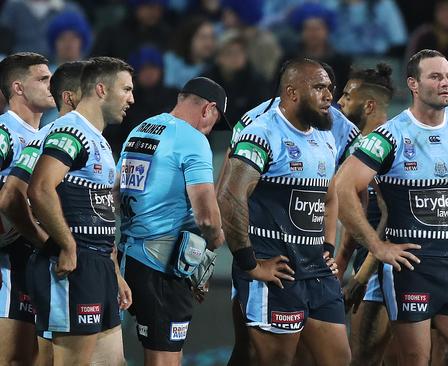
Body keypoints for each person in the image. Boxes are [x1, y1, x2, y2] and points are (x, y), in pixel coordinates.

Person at [337, 49, 448, 366]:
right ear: (413, 84)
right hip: (410, 267)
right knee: (413, 360)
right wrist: (378, 246)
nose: (445, 83)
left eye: (447, 76)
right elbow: (343, 187)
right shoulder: (391, 136)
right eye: (435, 77)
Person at [220, 58, 351, 366]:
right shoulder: (262, 133)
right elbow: (230, 196)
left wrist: (329, 247)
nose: (329, 95)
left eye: (330, 88)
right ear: (292, 93)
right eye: (319, 88)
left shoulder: (326, 136)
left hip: (317, 272)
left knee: (340, 359)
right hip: (277, 273)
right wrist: (249, 264)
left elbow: (330, 197)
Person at [25, 56, 134, 365]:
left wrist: (115, 273)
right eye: (125, 89)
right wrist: (67, 244)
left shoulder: (97, 140)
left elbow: (102, 211)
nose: (131, 99)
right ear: (101, 89)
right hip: (74, 268)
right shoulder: (70, 132)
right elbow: (39, 188)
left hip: (98, 266)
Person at [116, 77, 226, 366]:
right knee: (164, 360)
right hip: (162, 267)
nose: (212, 128)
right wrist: (213, 245)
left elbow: (116, 192)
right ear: (208, 109)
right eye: (216, 120)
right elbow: (207, 217)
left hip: (127, 258)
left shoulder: (140, 129)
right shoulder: (193, 139)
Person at [332, 63, 396, 366]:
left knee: (364, 359)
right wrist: (339, 269)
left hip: (383, 270)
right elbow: (353, 221)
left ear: (369, 105)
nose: (339, 102)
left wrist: (359, 278)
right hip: (365, 264)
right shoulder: (355, 147)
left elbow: (390, 218)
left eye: (347, 96)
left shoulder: (387, 147)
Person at [0, 52, 56, 366]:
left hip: (36, 264)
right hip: (9, 266)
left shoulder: (45, 137)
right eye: (43, 78)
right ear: (18, 88)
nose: (52, 83)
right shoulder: (5, 132)